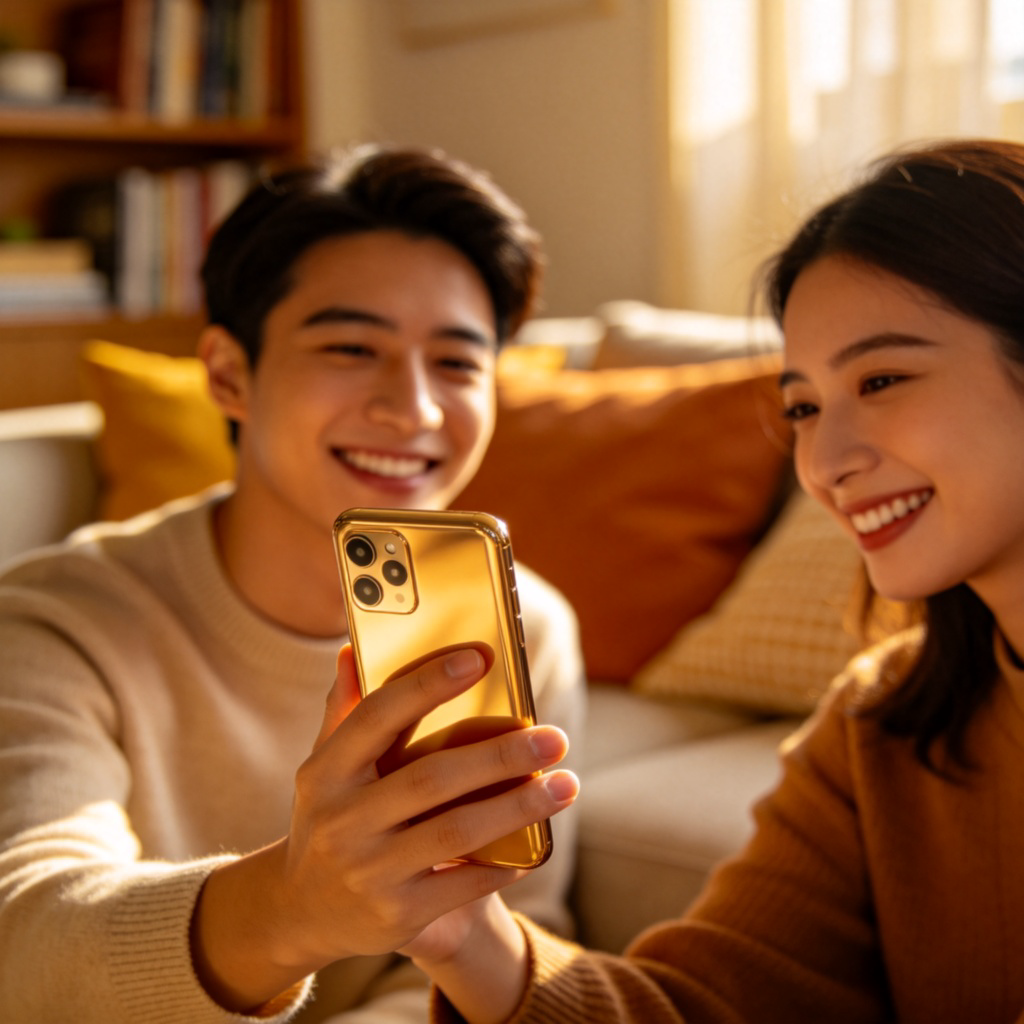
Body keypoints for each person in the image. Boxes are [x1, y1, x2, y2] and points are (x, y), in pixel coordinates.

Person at [388, 136, 1024, 1023]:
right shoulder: (881, 725)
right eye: (802, 408)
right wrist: (460, 928)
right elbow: (702, 1006)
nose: (826, 462)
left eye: (882, 379)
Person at [0, 144, 585, 1022]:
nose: (416, 410)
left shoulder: (523, 625)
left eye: (458, 363)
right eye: (353, 347)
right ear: (229, 373)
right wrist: (289, 907)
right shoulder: (57, 623)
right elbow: (27, 941)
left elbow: (505, 939)